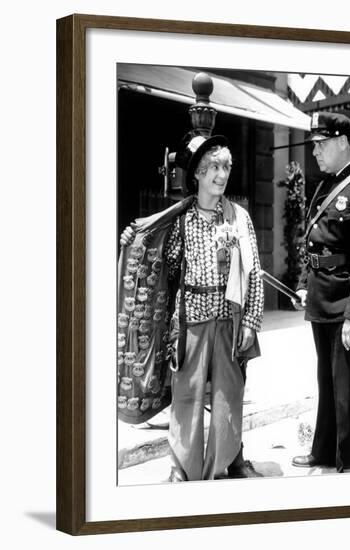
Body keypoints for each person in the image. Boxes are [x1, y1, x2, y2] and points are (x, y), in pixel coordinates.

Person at [119, 133, 264, 481]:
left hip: (229, 320)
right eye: (214, 167)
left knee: (229, 396)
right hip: (191, 321)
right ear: (198, 173)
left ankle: (229, 460)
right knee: (187, 398)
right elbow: (159, 264)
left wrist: (250, 322)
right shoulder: (181, 221)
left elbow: (254, 271)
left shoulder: (239, 217)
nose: (222, 174)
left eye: (226, 167)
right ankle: (182, 467)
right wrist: (131, 240)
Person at [291, 112, 350, 473]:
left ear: (342, 142)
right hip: (321, 297)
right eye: (314, 145)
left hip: (349, 301)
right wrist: (304, 284)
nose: (315, 151)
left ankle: (349, 462)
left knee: (345, 386)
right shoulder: (326, 184)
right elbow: (314, 240)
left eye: (321, 144)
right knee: (327, 381)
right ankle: (322, 451)